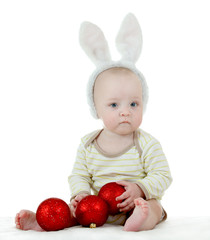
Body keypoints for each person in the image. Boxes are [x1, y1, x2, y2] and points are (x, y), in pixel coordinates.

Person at [15, 13, 172, 232]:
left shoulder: (146, 143)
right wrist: (80, 194)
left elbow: (163, 175)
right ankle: (42, 222)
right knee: (72, 209)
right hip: (96, 210)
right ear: (95, 109)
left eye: (134, 104)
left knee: (154, 208)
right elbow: (79, 174)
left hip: (135, 204)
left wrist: (141, 188)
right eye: (114, 105)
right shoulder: (88, 144)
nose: (125, 112)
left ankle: (140, 219)